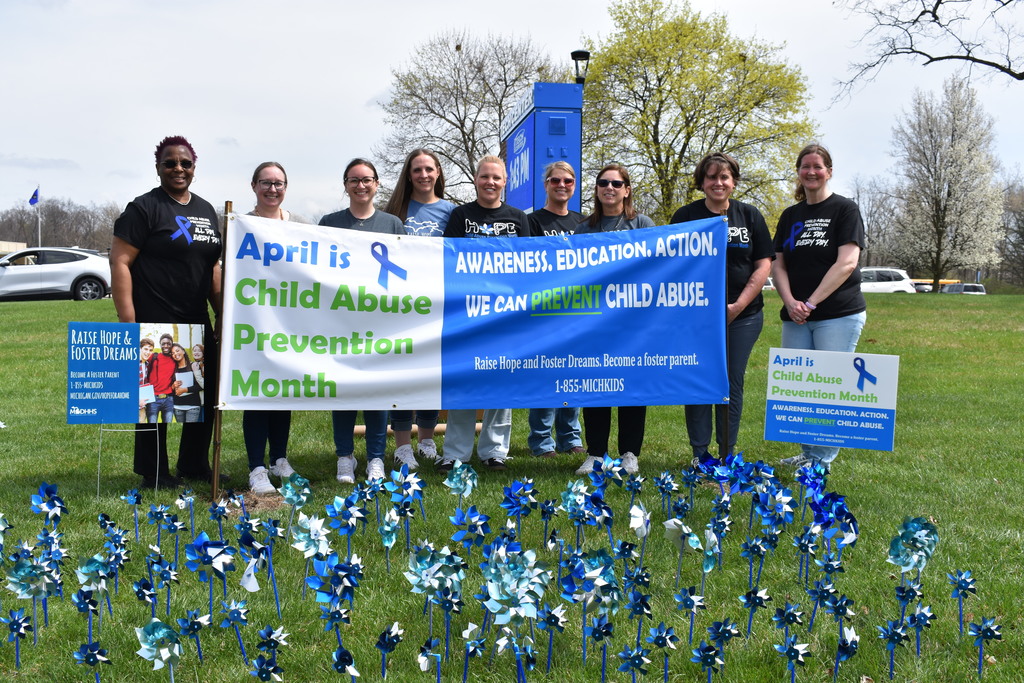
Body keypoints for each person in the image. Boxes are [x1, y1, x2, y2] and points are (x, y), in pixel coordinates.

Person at [110, 135, 222, 489]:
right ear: (158, 167)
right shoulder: (144, 208)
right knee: (154, 397)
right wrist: (128, 320)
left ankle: (193, 463)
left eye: (185, 163)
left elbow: (212, 268)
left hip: (197, 320)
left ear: (194, 167)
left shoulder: (206, 211)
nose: (178, 168)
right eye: (170, 163)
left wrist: (222, 315)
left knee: (198, 392)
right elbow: (120, 260)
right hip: (154, 318)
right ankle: (154, 472)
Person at [671, 152, 773, 461]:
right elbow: (671, 265)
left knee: (731, 381)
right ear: (701, 182)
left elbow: (763, 264)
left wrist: (737, 306)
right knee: (699, 379)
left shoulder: (750, 216)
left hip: (743, 316)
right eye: (711, 177)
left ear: (734, 182)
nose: (718, 182)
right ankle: (700, 454)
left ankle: (726, 453)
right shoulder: (685, 217)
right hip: (696, 317)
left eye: (724, 177)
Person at [772, 144, 867, 470]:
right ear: (798, 171)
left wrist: (811, 302)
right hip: (796, 316)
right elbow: (778, 265)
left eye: (818, 166)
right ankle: (808, 453)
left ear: (829, 170)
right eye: (805, 166)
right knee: (799, 390)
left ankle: (821, 461)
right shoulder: (790, 216)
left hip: (837, 314)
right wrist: (790, 302)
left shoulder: (845, 210)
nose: (811, 172)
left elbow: (847, 262)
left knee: (829, 391)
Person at [441, 155, 530, 472]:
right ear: (475, 180)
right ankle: (454, 453)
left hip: (505, 317)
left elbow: (529, 268)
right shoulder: (460, 216)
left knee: (501, 382)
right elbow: (447, 263)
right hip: (466, 315)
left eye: (496, 177)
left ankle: (495, 452)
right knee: (464, 380)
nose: (490, 182)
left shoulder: (518, 218)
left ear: (505, 182)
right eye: (484, 177)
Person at [319, 158, 401, 483]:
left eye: (367, 179)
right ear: (345, 185)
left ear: (377, 184)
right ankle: (345, 457)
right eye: (354, 180)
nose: (361, 186)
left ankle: (376, 459)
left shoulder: (393, 224)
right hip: (341, 321)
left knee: (377, 391)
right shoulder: (329, 222)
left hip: (380, 321)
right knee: (345, 391)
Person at [574, 163, 655, 476]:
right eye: (603, 183)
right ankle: (596, 454)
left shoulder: (642, 223)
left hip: (634, 321)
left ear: (627, 189)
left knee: (632, 385)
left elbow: (657, 265)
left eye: (616, 183)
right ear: (596, 189)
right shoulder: (585, 228)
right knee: (597, 384)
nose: (610, 188)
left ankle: (629, 454)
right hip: (596, 321)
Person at [384, 149, 454, 469]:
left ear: (438, 172)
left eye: (429, 169)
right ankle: (402, 446)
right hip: (401, 306)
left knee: (431, 375)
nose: (423, 175)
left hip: (439, 304)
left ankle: (426, 440)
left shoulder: (452, 212)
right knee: (402, 376)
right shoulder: (394, 212)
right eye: (417, 170)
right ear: (408, 175)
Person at [243, 161, 305, 495]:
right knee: (256, 392)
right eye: (266, 183)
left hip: (289, 323)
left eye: (279, 183)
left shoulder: (301, 226)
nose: (272, 189)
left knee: (282, 393)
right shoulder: (242, 225)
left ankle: (279, 459)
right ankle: (256, 467)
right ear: (254, 186)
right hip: (254, 323)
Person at [527, 161, 585, 459]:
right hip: (545, 309)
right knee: (546, 374)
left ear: (574, 185)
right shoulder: (533, 222)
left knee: (573, 372)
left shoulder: (584, 222)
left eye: (568, 181)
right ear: (545, 184)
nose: (562, 185)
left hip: (577, 310)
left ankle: (570, 437)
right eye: (555, 180)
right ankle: (541, 441)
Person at [170, 343, 202, 423]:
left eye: (177, 351)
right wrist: (173, 386)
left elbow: (201, 386)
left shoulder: (194, 366)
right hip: (177, 406)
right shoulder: (173, 369)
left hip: (193, 405)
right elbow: (170, 390)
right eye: (173, 353)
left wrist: (185, 390)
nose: (175, 354)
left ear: (183, 351)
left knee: (190, 431)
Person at [139, 337, 154, 423]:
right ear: (140, 349)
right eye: (145, 349)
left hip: (142, 405)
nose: (148, 352)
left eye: (150, 350)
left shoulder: (147, 364)